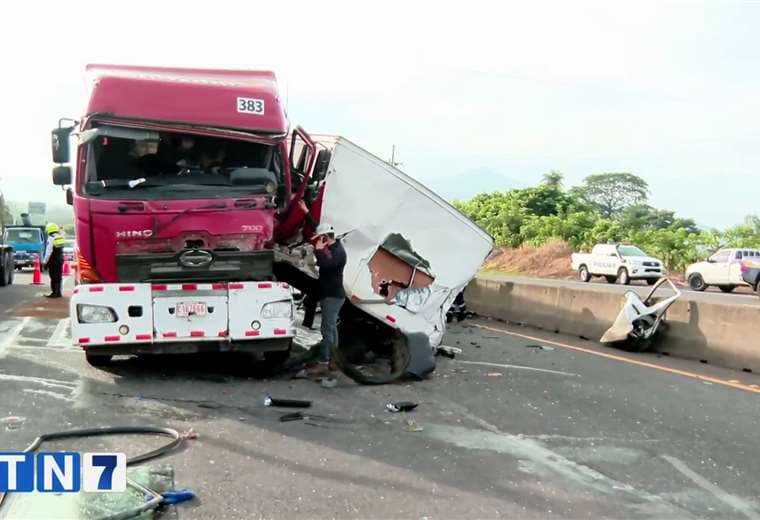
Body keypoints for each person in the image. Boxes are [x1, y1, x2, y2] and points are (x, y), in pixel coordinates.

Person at [300, 202, 347, 378]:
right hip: (331, 294)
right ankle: (334, 361)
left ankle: (324, 362)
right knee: (332, 329)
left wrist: (318, 252)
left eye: (321, 239)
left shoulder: (339, 253)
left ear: (327, 238)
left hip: (333, 296)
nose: (318, 241)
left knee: (327, 330)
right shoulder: (331, 245)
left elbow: (327, 266)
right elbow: (316, 228)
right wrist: (306, 212)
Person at [42, 223, 65, 298]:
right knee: (59, 276)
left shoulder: (51, 237)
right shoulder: (59, 236)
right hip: (60, 258)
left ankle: (54, 292)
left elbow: (49, 251)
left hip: (53, 259)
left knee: (53, 276)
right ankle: (59, 292)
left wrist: (45, 262)